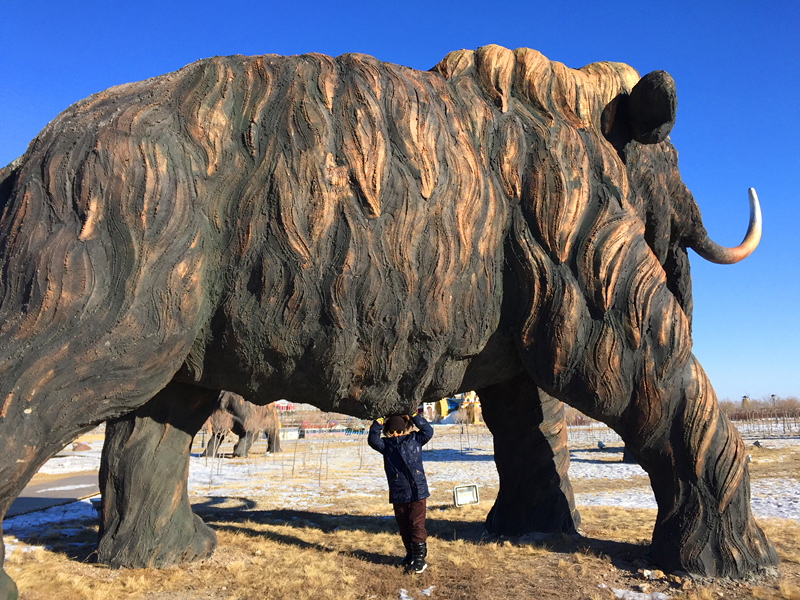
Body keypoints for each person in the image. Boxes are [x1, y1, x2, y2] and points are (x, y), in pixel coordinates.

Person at [368, 410, 433, 573]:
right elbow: (372, 440)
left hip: (417, 491)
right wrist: (378, 423)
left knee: (416, 524)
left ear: (404, 430)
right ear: (387, 432)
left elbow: (428, 431)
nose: (395, 434)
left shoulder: (415, 440)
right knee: (403, 525)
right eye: (391, 431)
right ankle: (410, 554)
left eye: (398, 431)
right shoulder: (386, 446)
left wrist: (414, 416)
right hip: (398, 492)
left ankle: (420, 559)